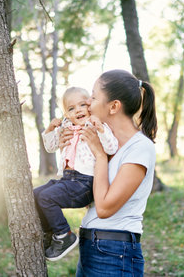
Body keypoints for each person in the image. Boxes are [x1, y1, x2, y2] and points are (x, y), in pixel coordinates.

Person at [60, 70, 157, 276]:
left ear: (113, 106)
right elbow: (89, 197)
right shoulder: (105, 143)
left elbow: (104, 208)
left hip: (114, 253)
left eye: (93, 96)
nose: (87, 101)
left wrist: (100, 155)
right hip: (91, 247)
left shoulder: (140, 148)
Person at [34, 87, 118, 262]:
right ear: (66, 114)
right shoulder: (67, 127)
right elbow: (50, 147)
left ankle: (64, 235)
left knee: (47, 197)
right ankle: (49, 232)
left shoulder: (96, 125)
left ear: (90, 105)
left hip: (85, 183)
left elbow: (111, 147)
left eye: (82, 105)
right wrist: (50, 129)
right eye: (71, 108)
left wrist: (100, 128)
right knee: (36, 194)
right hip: (67, 179)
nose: (78, 110)